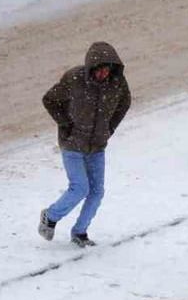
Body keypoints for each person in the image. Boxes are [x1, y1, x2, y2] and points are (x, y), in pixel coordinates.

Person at [38, 41, 131, 247]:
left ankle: (80, 232)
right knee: (80, 187)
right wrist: (65, 124)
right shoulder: (74, 78)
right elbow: (50, 100)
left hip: (97, 146)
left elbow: (125, 103)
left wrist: (109, 128)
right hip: (72, 143)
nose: (103, 75)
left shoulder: (117, 82)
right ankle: (50, 216)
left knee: (97, 191)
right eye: (99, 71)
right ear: (91, 68)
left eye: (107, 70)